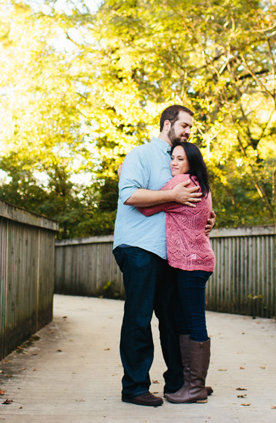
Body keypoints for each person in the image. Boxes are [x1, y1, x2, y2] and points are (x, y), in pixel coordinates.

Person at [113, 105, 210, 407]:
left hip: (171, 253)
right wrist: (172, 196)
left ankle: (180, 384)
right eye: (184, 125)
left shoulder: (181, 159)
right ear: (168, 123)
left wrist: (206, 216)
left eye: (190, 128)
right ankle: (135, 387)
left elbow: (192, 199)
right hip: (138, 247)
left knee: (172, 319)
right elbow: (129, 195)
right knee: (139, 317)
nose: (188, 131)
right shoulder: (139, 155)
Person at [138, 141, 215, 404]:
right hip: (193, 262)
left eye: (180, 159)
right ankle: (190, 382)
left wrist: (124, 175)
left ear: (191, 163)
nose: (174, 162)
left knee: (194, 321)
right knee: (185, 321)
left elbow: (145, 206)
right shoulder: (199, 184)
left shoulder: (180, 183)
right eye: (172, 157)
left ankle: (195, 387)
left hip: (191, 263)